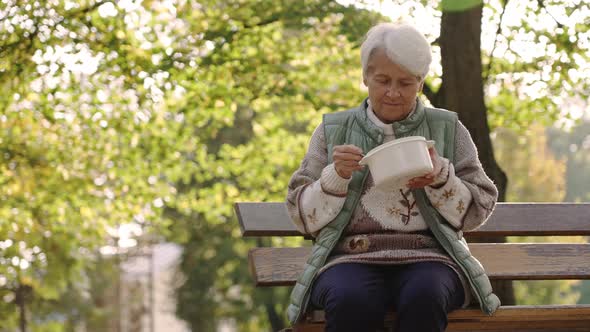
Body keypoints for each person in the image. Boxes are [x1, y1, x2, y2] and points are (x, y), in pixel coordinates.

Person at [285, 22, 500, 332]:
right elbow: (300, 215)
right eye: (382, 80)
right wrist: (337, 177)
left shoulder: (447, 129)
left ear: (421, 83)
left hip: (431, 258)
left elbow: (480, 206)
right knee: (351, 299)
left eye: (406, 83)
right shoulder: (333, 131)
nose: (393, 93)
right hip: (349, 259)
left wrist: (441, 179)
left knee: (424, 295)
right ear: (365, 77)